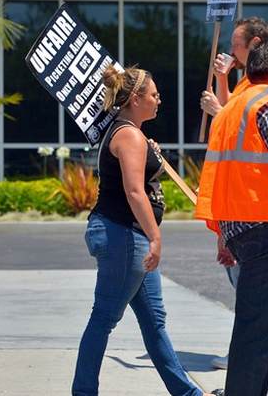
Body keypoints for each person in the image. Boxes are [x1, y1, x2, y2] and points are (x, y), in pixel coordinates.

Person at [72, 66, 203, 396]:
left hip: (129, 236)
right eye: (154, 94)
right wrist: (155, 237)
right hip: (124, 236)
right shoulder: (128, 135)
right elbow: (134, 191)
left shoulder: (131, 133)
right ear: (135, 99)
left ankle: (188, 393)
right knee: (104, 317)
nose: (159, 99)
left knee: (154, 320)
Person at [195, 38, 268, 396]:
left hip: (242, 227)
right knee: (257, 329)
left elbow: (224, 175)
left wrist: (222, 233)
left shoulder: (230, 110)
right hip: (267, 227)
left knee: (256, 327)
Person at [201, 17, 268, 116]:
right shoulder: (249, 78)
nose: (231, 51)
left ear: (255, 43)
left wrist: (217, 111)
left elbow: (253, 121)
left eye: (236, 45)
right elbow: (229, 106)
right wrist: (221, 77)